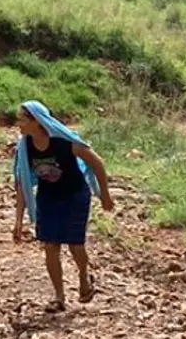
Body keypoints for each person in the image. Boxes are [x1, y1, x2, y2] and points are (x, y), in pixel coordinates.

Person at [12, 100, 115, 312]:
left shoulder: (63, 142)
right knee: (50, 246)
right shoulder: (25, 148)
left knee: (75, 245)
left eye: (21, 120)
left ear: (36, 121)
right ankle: (59, 297)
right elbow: (22, 183)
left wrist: (104, 194)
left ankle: (84, 277)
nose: (18, 124)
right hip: (48, 197)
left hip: (75, 195)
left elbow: (97, 162)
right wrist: (18, 221)